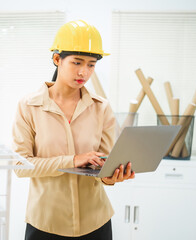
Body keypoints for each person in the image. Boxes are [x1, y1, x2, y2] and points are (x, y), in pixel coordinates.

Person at [12, 20, 135, 240]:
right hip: (46, 223)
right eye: (77, 62)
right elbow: (20, 165)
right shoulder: (28, 106)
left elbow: (103, 166)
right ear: (57, 59)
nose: (84, 72)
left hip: (96, 223)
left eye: (91, 65)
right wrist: (73, 159)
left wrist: (112, 176)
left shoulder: (101, 107)